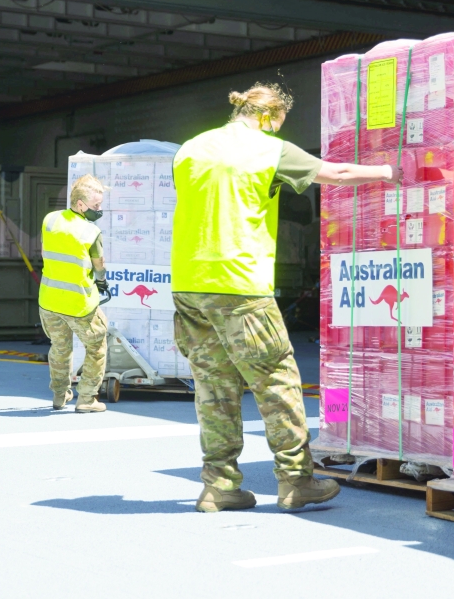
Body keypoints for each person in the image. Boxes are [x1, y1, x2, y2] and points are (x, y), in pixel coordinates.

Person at [172, 82, 402, 513]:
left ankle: (219, 485)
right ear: (266, 118)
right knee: (277, 382)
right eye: (277, 125)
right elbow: (336, 173)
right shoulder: (265, 148)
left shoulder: (191, 148)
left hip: (189, 284)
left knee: (214, 387)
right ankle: (296, 481)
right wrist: (391, 172)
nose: (277, 132)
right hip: (238, 284)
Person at [39, 174, 109, 414]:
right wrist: (102, 283)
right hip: (78, 303)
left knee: (59, 347)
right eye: (96, 206)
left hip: (48, 301)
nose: (99, 210)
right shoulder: (91, 231)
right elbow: (99, 265)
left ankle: (60, 395)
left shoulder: (50, 220)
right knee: (97, 346)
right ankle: (87, 399)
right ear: (81, 204)